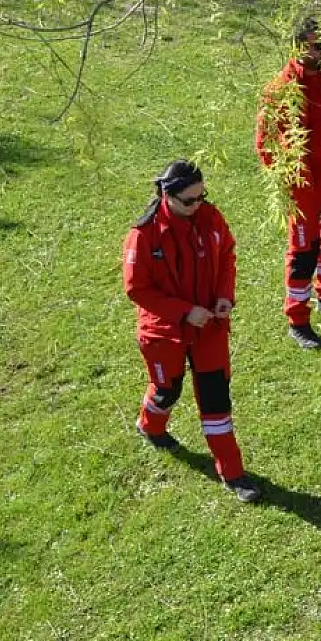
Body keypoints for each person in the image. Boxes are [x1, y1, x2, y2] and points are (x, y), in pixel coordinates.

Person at [124, 160, 261, 503]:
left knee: (216, 398)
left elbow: (227, 254)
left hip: (208, 329)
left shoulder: (210, 218)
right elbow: (137, 290)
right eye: (189, 200)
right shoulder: (143, 236)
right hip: (164, 332)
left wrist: (224, 297)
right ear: (166, 196)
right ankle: (150, 425)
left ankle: (232, 471)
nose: (197, 205)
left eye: (201, 196)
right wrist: (185, 312)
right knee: (166, 390)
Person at [255, 15, 321, 351]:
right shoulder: (280, 90)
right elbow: (266, 142)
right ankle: (297, 318)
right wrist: (290, 178)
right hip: (304, 184)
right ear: (299, 47)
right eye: (317, 46)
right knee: (303, 253)